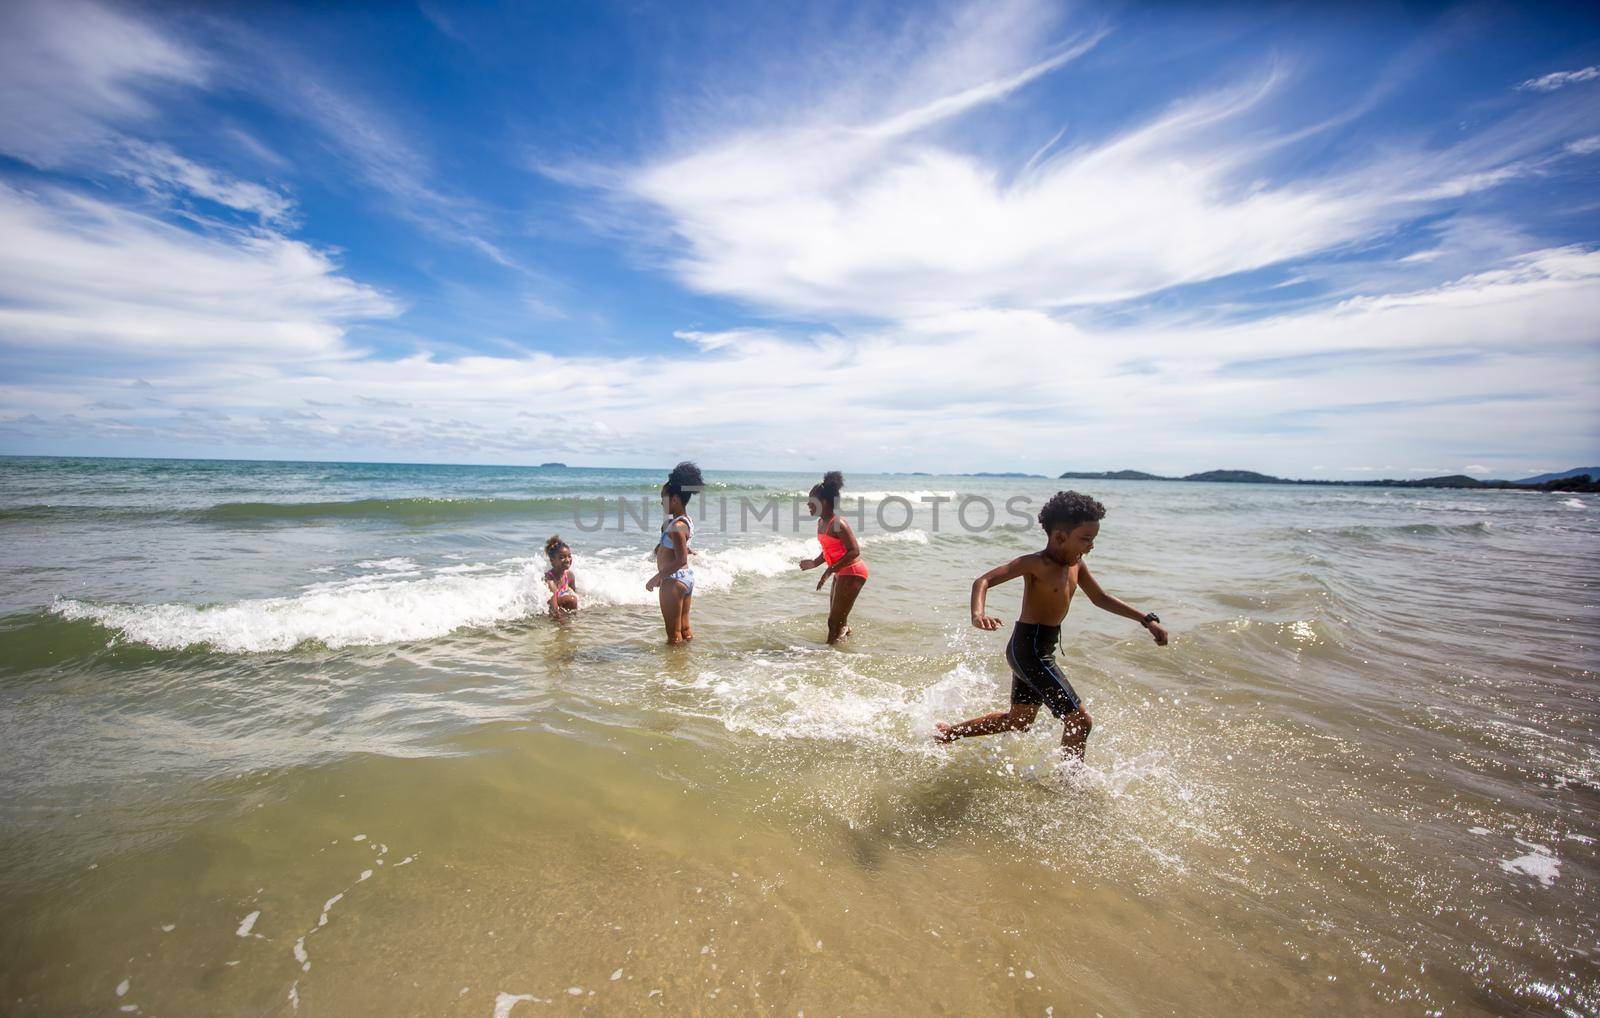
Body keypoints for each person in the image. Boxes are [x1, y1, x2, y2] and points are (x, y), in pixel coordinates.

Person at [934, 491, 1169, 761]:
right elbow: (983, 581)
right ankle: (1070, 784)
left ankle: (948, 733)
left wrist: (1146, 620)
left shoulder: (1077, 565)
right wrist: (978, 614)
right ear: (1059, 537)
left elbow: (1100, 598)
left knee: (1019, 721)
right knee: (1080, 721)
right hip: (1029, 649)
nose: (1091, 546)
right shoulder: (1036, 564)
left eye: (1093, 539)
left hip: (1040, 648)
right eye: (1086, 539)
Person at [798, 471, 868, 643]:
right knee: (837, 621)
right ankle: (842, 653)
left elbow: (854, 551)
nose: (808, 504)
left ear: (824, 502)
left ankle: (828, 658)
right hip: (841, 572)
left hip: (852, 572)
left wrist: (829, 570)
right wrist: (815, 562)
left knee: (833, 622)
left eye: (811, 500)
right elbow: (829, 549)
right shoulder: (822, 523)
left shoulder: (838, 523)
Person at [645, 461, 703, 644]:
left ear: (675, 500)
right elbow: (677, 541)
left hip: (673, 580)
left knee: (673, 636)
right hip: (684, 578)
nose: (661, 502)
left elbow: (679, 559)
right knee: (684, 629)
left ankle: (676, 670)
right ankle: (687, 662)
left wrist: (658, 577)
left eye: (664, 499)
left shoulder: (677, 526)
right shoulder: (682, 521)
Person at [543, 535, 578, 620]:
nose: (567, 560)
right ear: (552, 560)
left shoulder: (569, 576)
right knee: (571, 600)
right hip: (548, 606)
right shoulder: (550, 580)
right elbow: (553, 606)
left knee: (573, 599)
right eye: (562, 557)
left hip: (560, 603)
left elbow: (575, 594)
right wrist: (562, 626)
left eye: (569, 556)